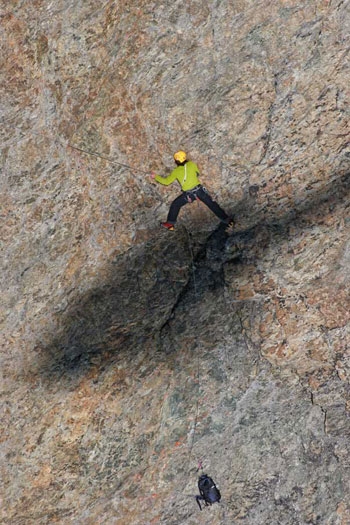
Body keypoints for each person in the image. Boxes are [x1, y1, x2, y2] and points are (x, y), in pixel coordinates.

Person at [151, 150, 233, 231]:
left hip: (188, 195)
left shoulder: (176, 171)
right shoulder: (192, 164)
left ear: (176, 161)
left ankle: (170, 223)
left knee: (175, 204)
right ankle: (228, 220)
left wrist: (156, 176)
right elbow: (197, 173)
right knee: (212, 204)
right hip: (199, 191)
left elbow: (166, 182)